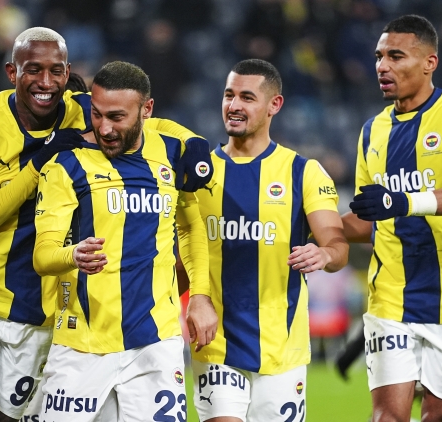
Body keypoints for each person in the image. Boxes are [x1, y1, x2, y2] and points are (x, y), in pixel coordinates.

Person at [0, 27, 213, 422]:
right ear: (12, 73)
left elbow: (142, 121)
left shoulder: (85, 111)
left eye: (56, 71)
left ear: (67, 74)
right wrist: (39, 163)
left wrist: (193, 142)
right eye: (34, 70)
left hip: (38, 311)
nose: (46, 83)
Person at [32, 60, 218, 421]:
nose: (104, 128)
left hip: (156, 343)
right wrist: (73, 255)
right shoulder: (66, 164)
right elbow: (43, 256)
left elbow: (191, 229)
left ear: (146, 110)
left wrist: (199, 295)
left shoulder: (172, 154)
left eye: (116, 117)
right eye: (97, 114)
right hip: (82, 346)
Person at [188, 59, 348, 422]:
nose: (234, 105)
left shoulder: (303, 172)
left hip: (281, 348)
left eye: (247, 97)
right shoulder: (198, 175)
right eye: (229, 95)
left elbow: (338, 246)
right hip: (216, 343)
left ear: (274, 104)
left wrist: (324, 254)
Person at [344, 14, 442, 422]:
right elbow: (368, 218)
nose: (382, 66)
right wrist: (308, 226)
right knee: (387, 418)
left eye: (396, 56)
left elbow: (395, 203)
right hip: (390, 298)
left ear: (429, 62)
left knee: (438, 415)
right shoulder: (372, 132)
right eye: (378, 57)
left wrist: (404, 202)